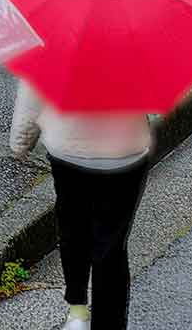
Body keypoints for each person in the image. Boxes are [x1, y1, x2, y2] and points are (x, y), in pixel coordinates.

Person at [10, 81, 153, 330]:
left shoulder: (54, 41)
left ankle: (77, 311)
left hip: (69, 147)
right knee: (111, 244)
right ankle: (109, 324)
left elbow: (34, 88)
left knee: (73, 228)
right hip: (125, 149)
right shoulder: (136, 41)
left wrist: (22, 141)